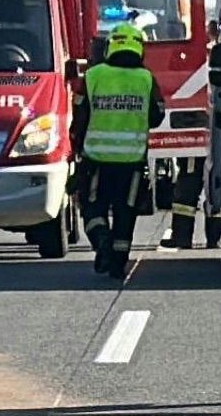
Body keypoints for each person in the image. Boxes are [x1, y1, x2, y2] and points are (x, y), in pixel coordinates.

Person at [71, 23, 166, 279]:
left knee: (92, 209)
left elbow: (79, 115)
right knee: (126, 212)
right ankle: (118, 263)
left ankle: (102, 241)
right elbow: (157, 116)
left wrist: (75, 148)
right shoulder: (146, 79)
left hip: (96, 161)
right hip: (132, 162)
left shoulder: (93, 76)